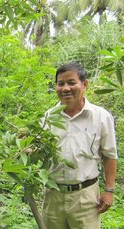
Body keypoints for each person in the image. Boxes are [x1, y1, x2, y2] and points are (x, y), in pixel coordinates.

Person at [42, 62, 118, 229]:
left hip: (86, 196)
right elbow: (40, 151)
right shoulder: (48, 117)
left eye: (71, 82)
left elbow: (110, 155)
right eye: (60, 84)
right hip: (53, 195)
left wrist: (109, 190)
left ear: (85, 84)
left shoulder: (101, 117)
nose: (65, 88)